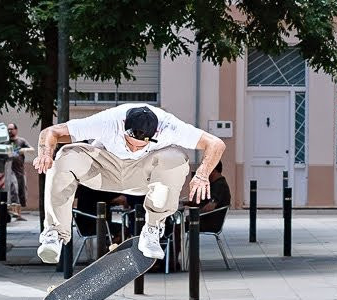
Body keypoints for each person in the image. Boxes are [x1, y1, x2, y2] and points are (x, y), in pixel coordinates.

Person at [32, 104, 226, 263]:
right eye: (129, 142)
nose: (133, 149)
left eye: (140, 145)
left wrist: (202, 174)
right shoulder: (108, 121)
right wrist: (45, 154)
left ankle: (152, 229)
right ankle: (54, 233)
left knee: (176, 158)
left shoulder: (169, 126)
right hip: (104, 170)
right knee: (66, 155)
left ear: (156, 132)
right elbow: (51, 132)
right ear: (123, 125)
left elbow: (216, 144)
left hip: (141, 174)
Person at [6, 123, 34, 220]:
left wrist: (22, 150)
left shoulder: (21, 141)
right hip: (10, 170)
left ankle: (19, 214)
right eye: (8, 129)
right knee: (14, 189)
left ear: (16, 130)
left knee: (21, 191)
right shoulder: (6, 142)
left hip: (20, 170)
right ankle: (15, 213)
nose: (10, 131)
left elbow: (32, 149)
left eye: (11, 129)